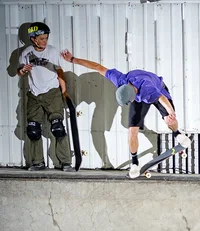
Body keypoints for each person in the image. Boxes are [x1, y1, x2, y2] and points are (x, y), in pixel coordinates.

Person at [60, 50, 191, 179]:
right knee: (132, 130)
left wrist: (171, 112)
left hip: (158, 90)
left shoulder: (147, 89)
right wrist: (73, 60)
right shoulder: (119, 79)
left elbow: (161, 98)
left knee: (169, 119)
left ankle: (177, 133)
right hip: (137, 92)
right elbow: (97, 67)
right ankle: (134, 163)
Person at [18, 22, 74, 171]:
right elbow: (19, 72)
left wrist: (64, 91)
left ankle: (65, 162)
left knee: (58, 128)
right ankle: (38, 163)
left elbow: (60, 71)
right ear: (33, 39)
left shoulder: (52, 51)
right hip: (34, 95)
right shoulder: (26, 53)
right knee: (33, 130)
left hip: (52, 93)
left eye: (46, 38)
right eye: (42, 38)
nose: (45, 41)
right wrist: (23, 70)